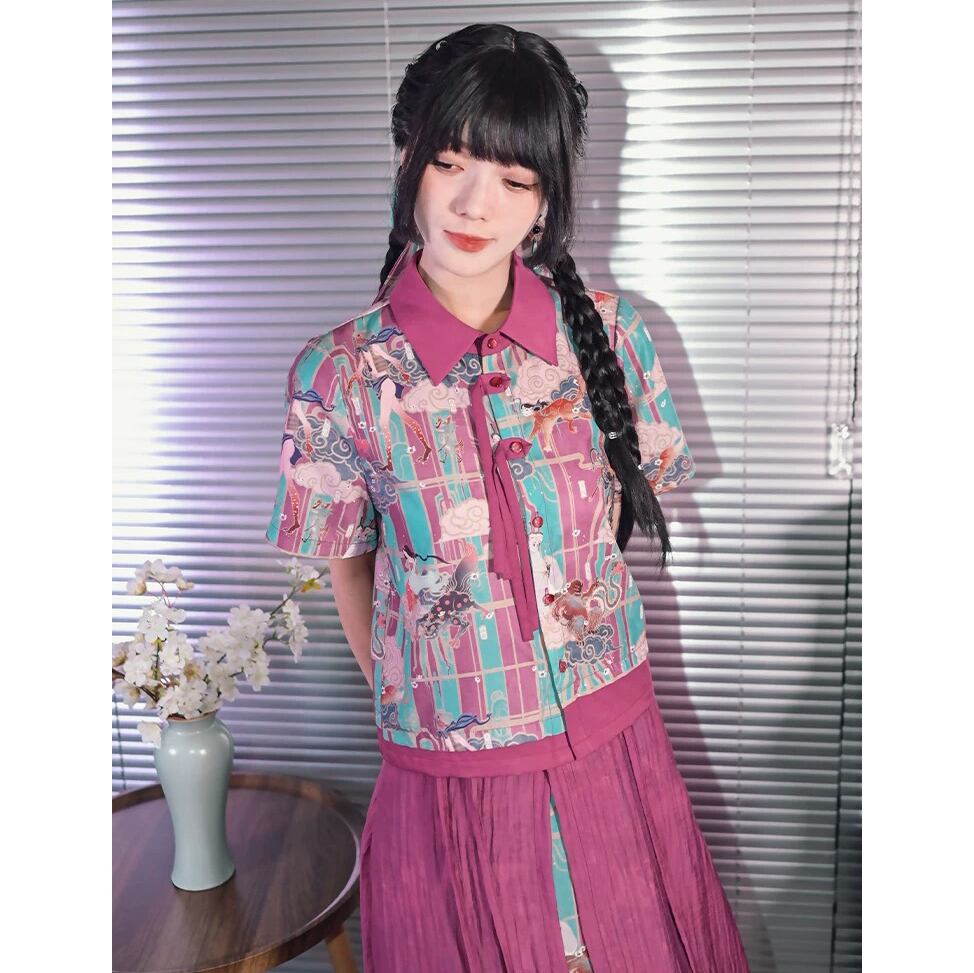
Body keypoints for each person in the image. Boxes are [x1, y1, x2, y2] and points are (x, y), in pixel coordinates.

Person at [265, 23, 750, 973]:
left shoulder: (613, 334)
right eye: (450, 162)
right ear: (406, 156)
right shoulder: (339, 373)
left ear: (546, 199)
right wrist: (431, 694)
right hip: (450, 771)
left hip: (613, 745)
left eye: (515, 178)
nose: (475, 203)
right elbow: (349, 566)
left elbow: (607, 529)